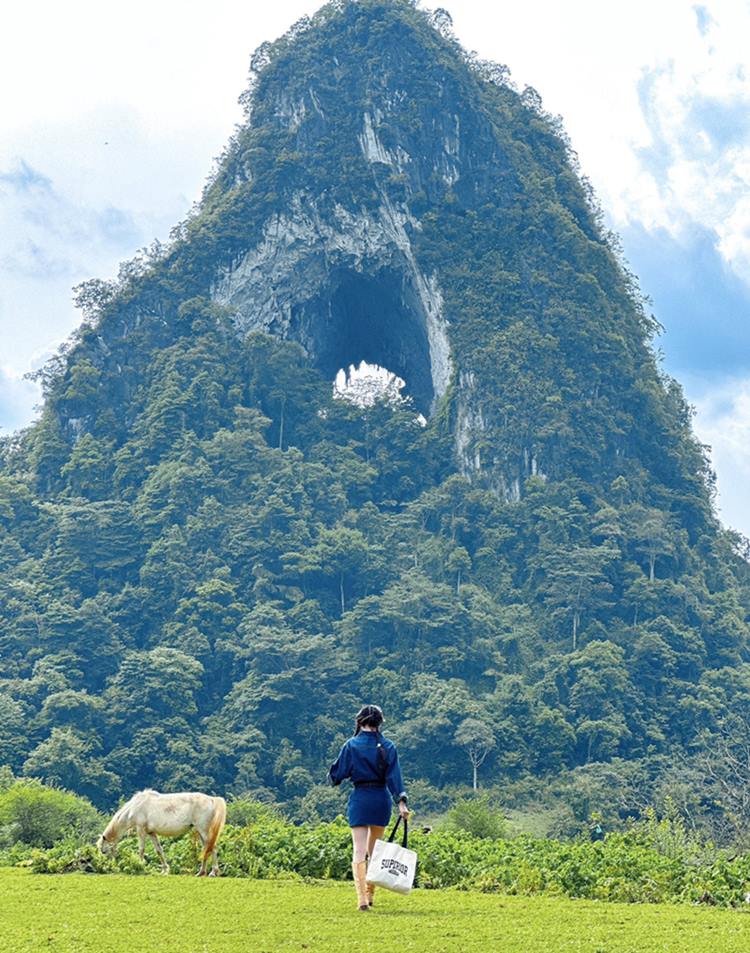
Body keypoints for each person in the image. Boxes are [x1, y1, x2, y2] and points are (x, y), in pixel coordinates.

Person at [328, 704, 410, 911]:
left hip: (361, 799)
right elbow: (395, 778)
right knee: (375, 852)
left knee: (359, 851)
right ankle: (371, 895)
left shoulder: (351, 745)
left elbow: (337, 775)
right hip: (381, 800)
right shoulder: (388, 746)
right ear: (379, 722)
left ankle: (362, 900)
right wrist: (401, 802)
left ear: (360, 721)